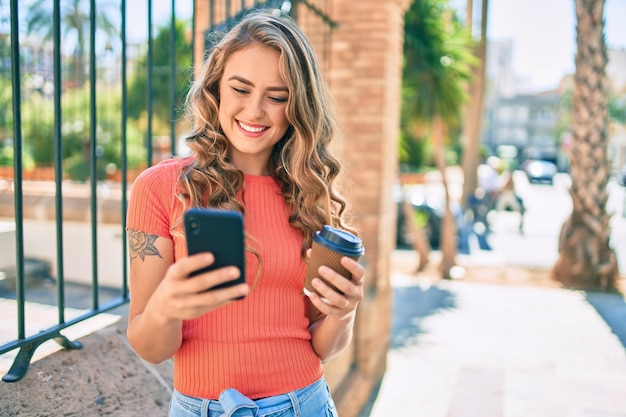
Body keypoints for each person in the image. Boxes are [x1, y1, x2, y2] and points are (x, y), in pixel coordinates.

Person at [125, 10, 365, 417]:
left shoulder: (311, 196)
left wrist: (344, 313)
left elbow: (321, 345)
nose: (255, 111)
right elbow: (150, 346)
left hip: (305, 404)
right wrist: (167, 304)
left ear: (298, 107)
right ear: (216, 86)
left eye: (277, 96)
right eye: (240, 89)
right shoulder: (160, 188)